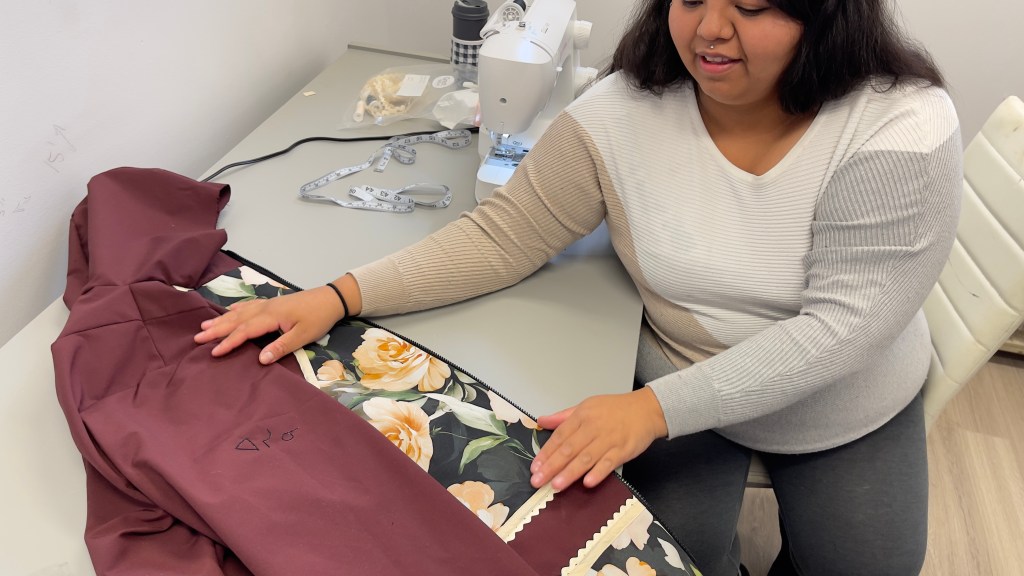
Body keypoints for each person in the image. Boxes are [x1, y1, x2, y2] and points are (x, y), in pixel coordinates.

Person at [195, 0, 962, 573]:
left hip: (839, 405)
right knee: (664, 557)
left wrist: (651, 411)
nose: (709, 31)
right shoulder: (620, 116)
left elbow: (844, 330)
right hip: (683, 386)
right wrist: (336, 296)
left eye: (753, 7)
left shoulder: (899, 128)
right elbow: (506, 235)